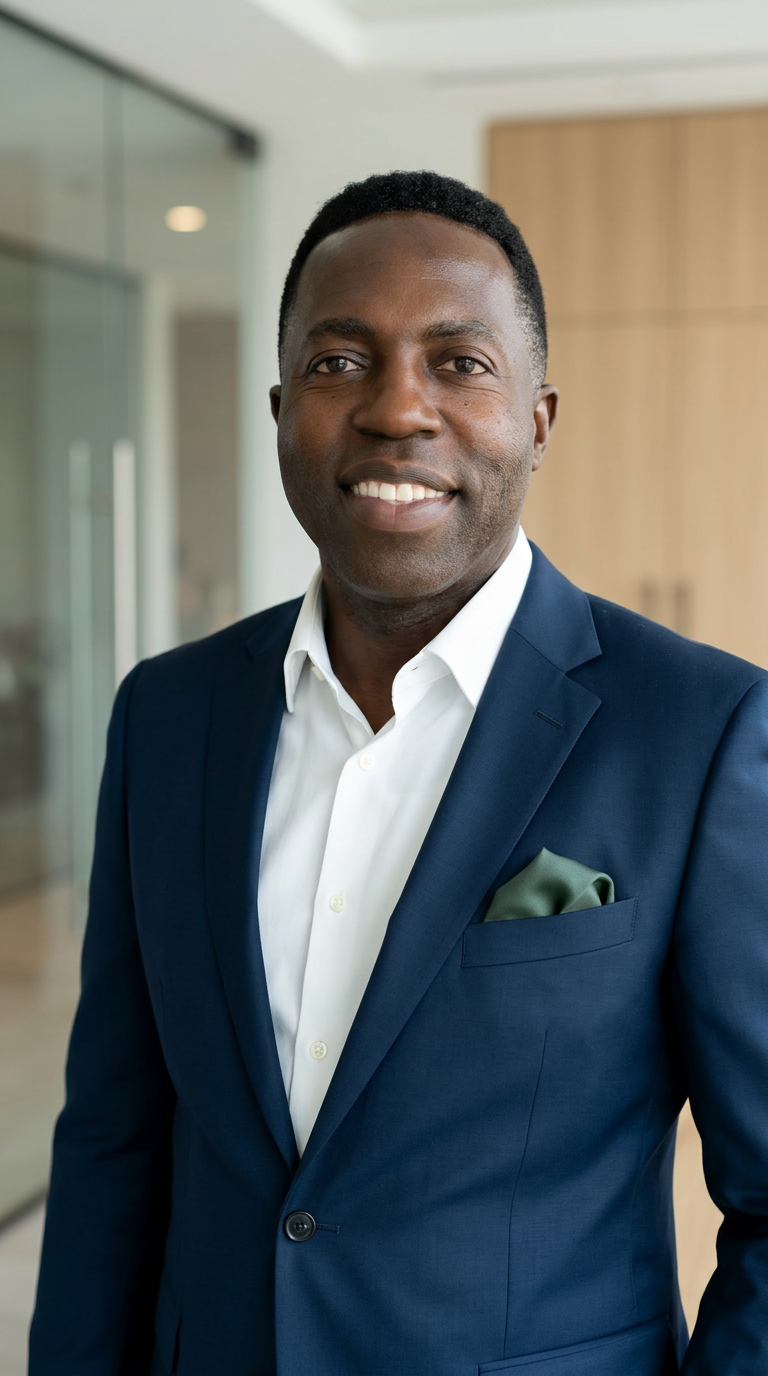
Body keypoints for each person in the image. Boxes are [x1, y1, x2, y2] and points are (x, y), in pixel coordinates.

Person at [29, 171, 768, 1376]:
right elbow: (116, 1135)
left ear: (538, 416)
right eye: (338, 362)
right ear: (280, 410)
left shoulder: (698, 727)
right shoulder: (168, 714)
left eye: (460, 362)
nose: (394, 410)